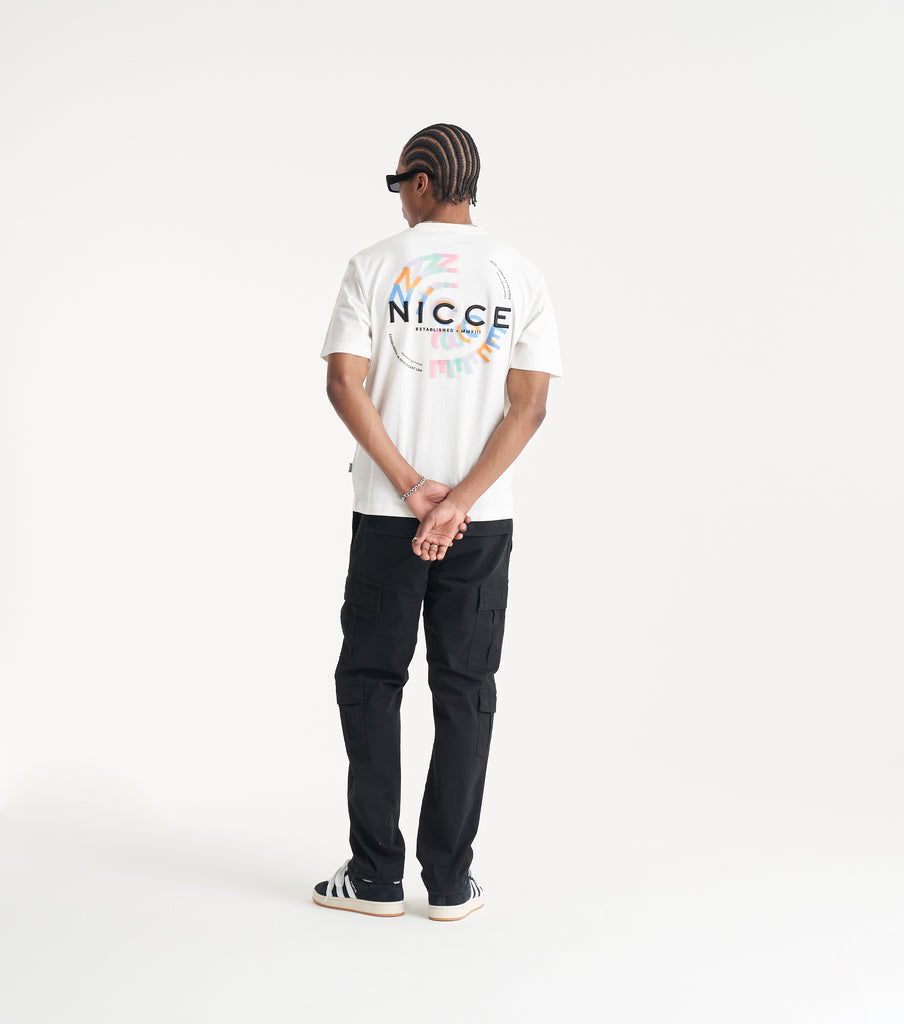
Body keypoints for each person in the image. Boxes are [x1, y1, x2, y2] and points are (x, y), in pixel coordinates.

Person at [312, 123, 562, 921]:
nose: (399, 198)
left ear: (422, 182)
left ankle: (376, 876)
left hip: (390, 513)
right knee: (466, 689)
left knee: (371, 682)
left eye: (399, 183)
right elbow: (530, 406)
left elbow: (344, 385)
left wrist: (417, 488)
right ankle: (450, 883)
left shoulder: (374, 265)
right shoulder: (521, 274)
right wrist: (460, 501)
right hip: (480, 525)